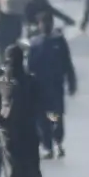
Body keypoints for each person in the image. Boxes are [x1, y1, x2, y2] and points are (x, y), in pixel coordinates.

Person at [0, 45, 42, 177]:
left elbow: (40, 106)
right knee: (12, 171)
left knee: (29, 171)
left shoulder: (31, 82)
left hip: (28, 132)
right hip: (7, 133)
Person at [26, 11, 77, 159]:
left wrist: (71, 82)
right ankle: (47, 147)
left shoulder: (59, 41)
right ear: (39, 25)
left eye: (49, 22)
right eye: (43, 23)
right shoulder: (34, 43)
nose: (46, 25)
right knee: (41, 120)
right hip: (40, 88)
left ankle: (58, 142)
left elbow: (67, 63)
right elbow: (29, 67)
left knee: (55, 117)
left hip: (55, 87)